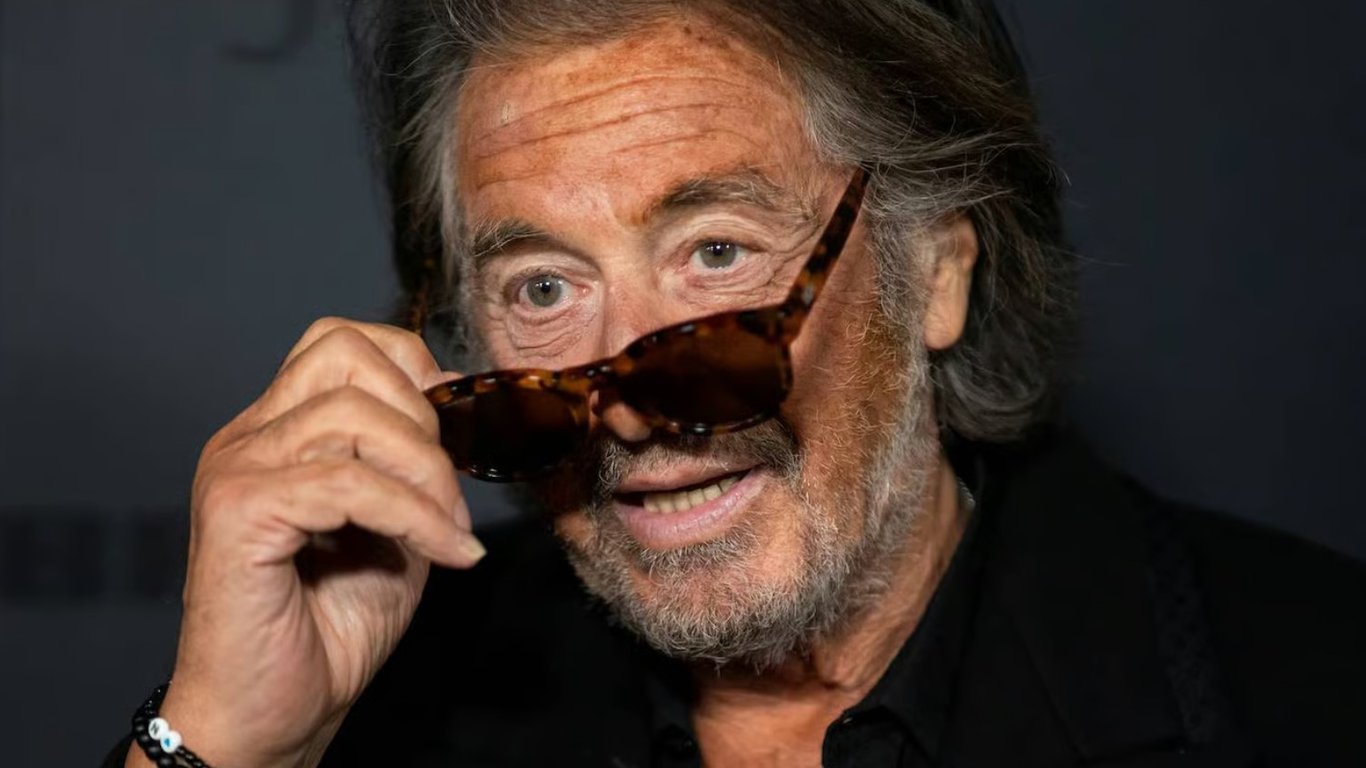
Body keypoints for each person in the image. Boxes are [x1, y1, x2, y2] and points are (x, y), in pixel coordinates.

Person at [110, 1, 1365, 766]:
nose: (625, 402)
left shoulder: (1309, 686)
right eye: (543, 288)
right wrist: (225, 747)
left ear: (935, 269)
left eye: (715, 254)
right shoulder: (395, 707)